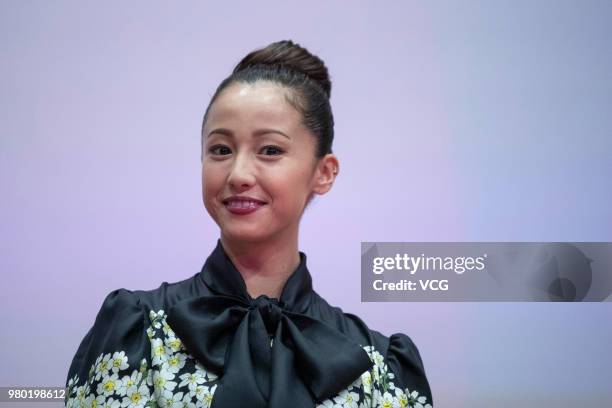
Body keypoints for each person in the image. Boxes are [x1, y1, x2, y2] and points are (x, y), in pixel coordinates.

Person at [64, 40, 433, 408]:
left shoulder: (379, 365)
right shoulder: (138, 330)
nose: (238, 174)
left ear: (324, 172)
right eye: (221, 150)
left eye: (270, 150)